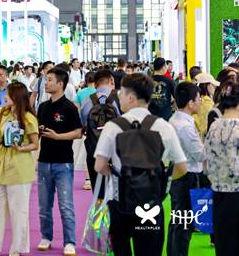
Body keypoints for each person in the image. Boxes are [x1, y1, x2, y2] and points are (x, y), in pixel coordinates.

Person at [95, 74, 187, 256]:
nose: (119, 96)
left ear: (131, 97)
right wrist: (162, 182)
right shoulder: (164, 126)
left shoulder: (113, 126)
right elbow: (182, 167)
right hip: (151, 202)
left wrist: (117, 176)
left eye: (121, 93)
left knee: (121, 250)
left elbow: (99, 166)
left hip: (120, 202)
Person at [0, 82, 39, 256]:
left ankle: (17, 249)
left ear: (16, 96)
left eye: (8, 94)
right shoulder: (2, 112)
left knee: (19, 210)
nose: (5, 97)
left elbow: (35, 144)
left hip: (20, 166)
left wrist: (21, 148)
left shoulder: (29, 118)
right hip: (1, 163)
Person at [36, 67, 82, 255]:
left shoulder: (69, 107)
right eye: (45, 79)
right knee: (44, 205)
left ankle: (69, 241)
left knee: (66, 205)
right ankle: (46, 237)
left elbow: (78, 132)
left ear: (60, 84)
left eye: (49, 80)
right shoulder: (42, 107)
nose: (46, 83)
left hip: (63, 162)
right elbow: (37, 132)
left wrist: (57, 136)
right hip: (43, 161)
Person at [167, 82, 209, 256]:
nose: (200, 102)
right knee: (184, 224)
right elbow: (200, 154)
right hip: (187, 176)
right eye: (198, 99)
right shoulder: (184, 126)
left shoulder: (175, 120)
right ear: (190, 103)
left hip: (178, 174)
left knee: (177, 222)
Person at [203, 82, 239, 256]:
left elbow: (206, 161)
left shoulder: (214, 126)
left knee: (224, 244)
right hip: (237, 192)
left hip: (218, 194)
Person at [194, 73, 220, 138]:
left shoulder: (196, 99)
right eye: (212, 84)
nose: (214, 87)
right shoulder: (207, 102)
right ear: (205, 85)